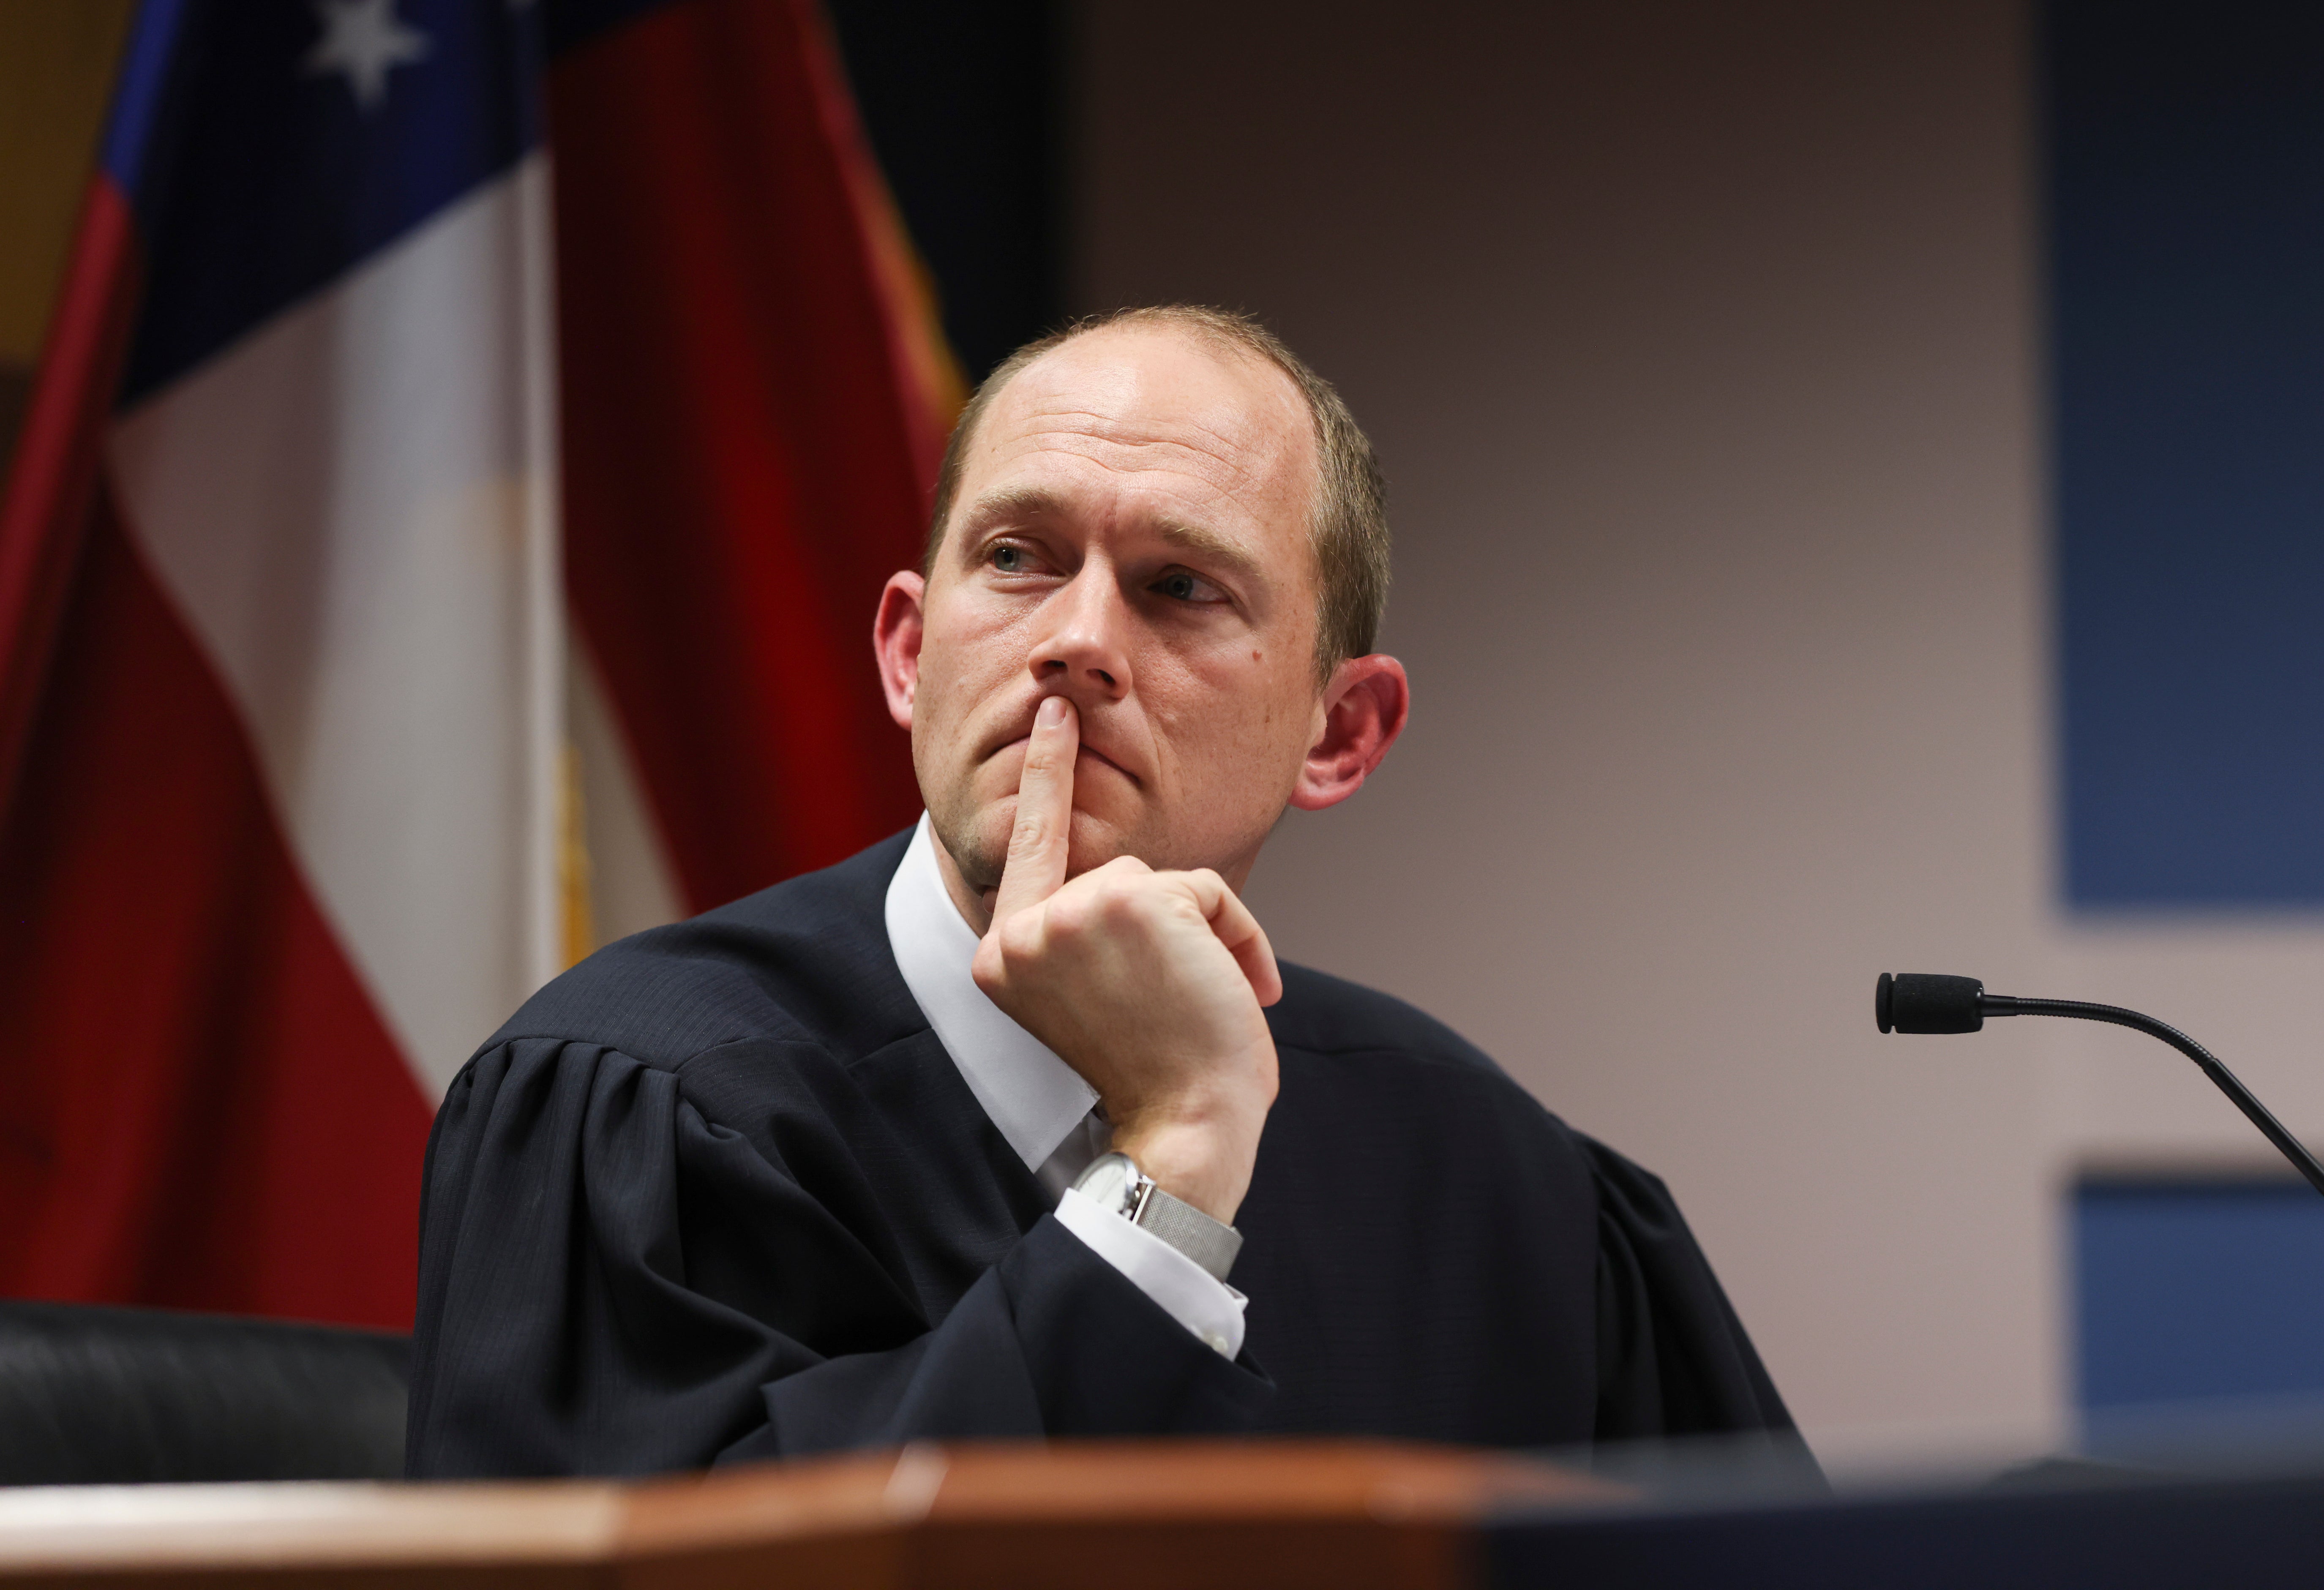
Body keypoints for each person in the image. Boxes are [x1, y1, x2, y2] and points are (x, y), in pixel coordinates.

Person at [405, 305, 1798, 1476]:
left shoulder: (1498, 1187)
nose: (1074, 641)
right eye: (1016, 558)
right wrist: (1172, 1163)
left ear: (1339, 733)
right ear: (906, 654)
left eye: (1179, 586)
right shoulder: (636, 1102)